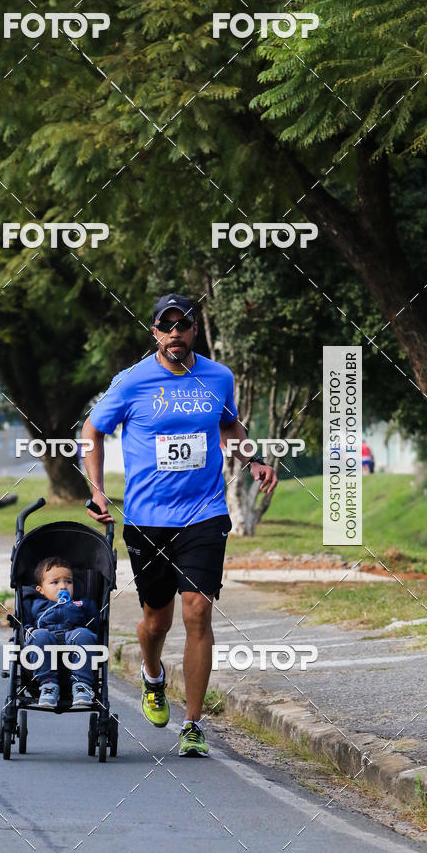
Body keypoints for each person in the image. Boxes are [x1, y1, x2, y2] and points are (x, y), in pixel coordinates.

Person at [82, 293, 278, 757]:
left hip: (204, 514)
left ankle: (192, 724)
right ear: (154, 332)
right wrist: (95, 489)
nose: (175, 334)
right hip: (148, 519)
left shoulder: (218, 376)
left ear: (194, 330)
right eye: (166, 326)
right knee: (156, 619)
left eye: (183, 325)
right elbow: (93, 431)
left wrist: (254, 461)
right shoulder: (131, 382)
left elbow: (229, 427)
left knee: (197, 611)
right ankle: (152, 676)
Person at [24, 557, 99, 709]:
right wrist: (31, 631)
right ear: (41, 589)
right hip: (46, 636)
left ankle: (81, 685)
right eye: (55, 582)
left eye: (68, 582)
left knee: (84, 635)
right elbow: (25, 625)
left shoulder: (80, 603)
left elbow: (95, 623)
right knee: (38, 636)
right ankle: (48, 685)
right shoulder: (35, 604)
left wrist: (89, 621)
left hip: (73, 635)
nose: (63, 587)